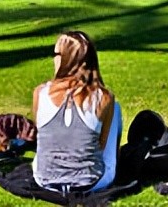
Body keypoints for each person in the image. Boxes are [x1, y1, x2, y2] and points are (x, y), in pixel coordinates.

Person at [31, 31, 120, 194]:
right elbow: (102, 144)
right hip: (91, 183)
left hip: (44, 181)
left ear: (67, 58)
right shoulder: (104, 98)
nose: (54, 58)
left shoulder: (40, 93)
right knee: (116, 109)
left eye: (56, 54)